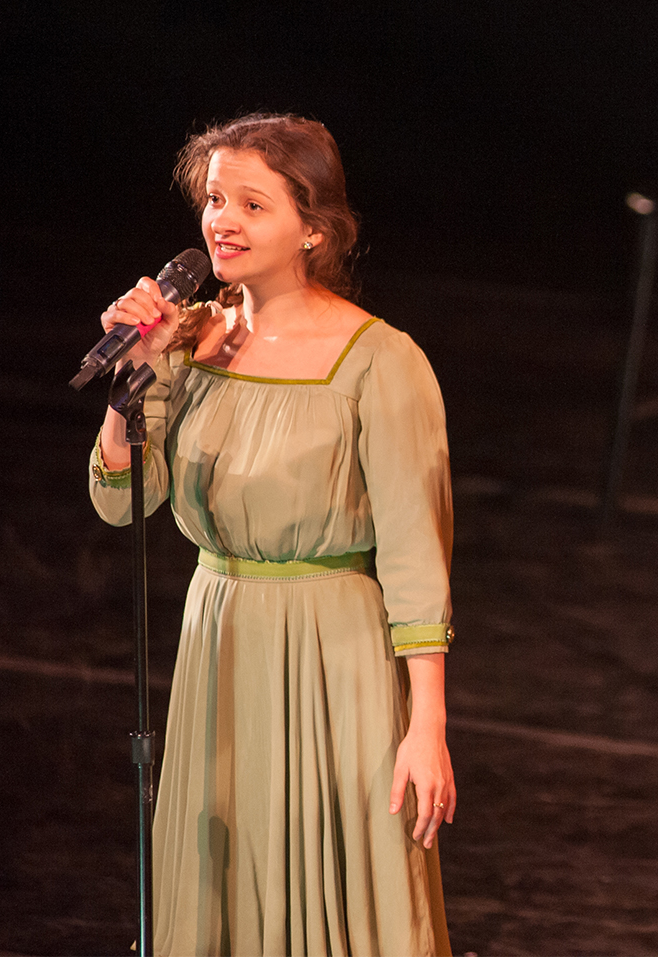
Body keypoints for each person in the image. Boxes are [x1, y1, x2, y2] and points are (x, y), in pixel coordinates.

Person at [88, 113, 455, 955]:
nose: (223, 220)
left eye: (253, 204)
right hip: (221, 634)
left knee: (346, 885)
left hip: (338, 651)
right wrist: (131, 382)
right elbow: (120, 501)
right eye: (215, 198)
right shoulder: (190, 339)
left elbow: (414, 551)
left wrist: (425, 724)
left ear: (312, 230)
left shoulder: (379, 360)